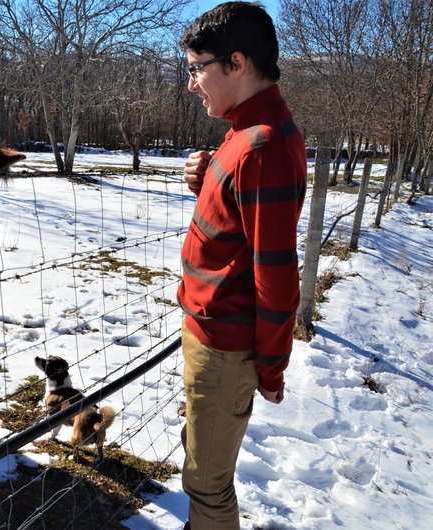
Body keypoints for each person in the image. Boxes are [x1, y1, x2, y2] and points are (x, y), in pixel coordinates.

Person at [176, 2, 307, 529]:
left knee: (206, 486)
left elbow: (276, 276)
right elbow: (238, 220)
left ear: (236, 62)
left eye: (196, 68)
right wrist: (205, 176)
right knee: (200, 468)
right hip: (209, 329)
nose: (191, 84)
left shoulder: (262, 146)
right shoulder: (243, 132)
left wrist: (271, 367)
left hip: (225, 347)